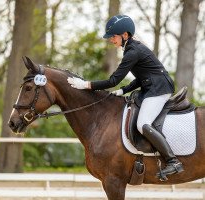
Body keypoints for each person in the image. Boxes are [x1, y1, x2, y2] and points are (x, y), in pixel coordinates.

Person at [67, 15, 184, 179]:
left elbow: (112, 80)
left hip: (159, 89)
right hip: (151, 87)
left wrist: (86, 85)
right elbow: (142, 77)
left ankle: (173, 161)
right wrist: (123, 91)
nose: (111, 40)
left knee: (143, 124)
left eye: (113, 36)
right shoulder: (132, 48)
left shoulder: (133, 52)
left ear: (125, 35)